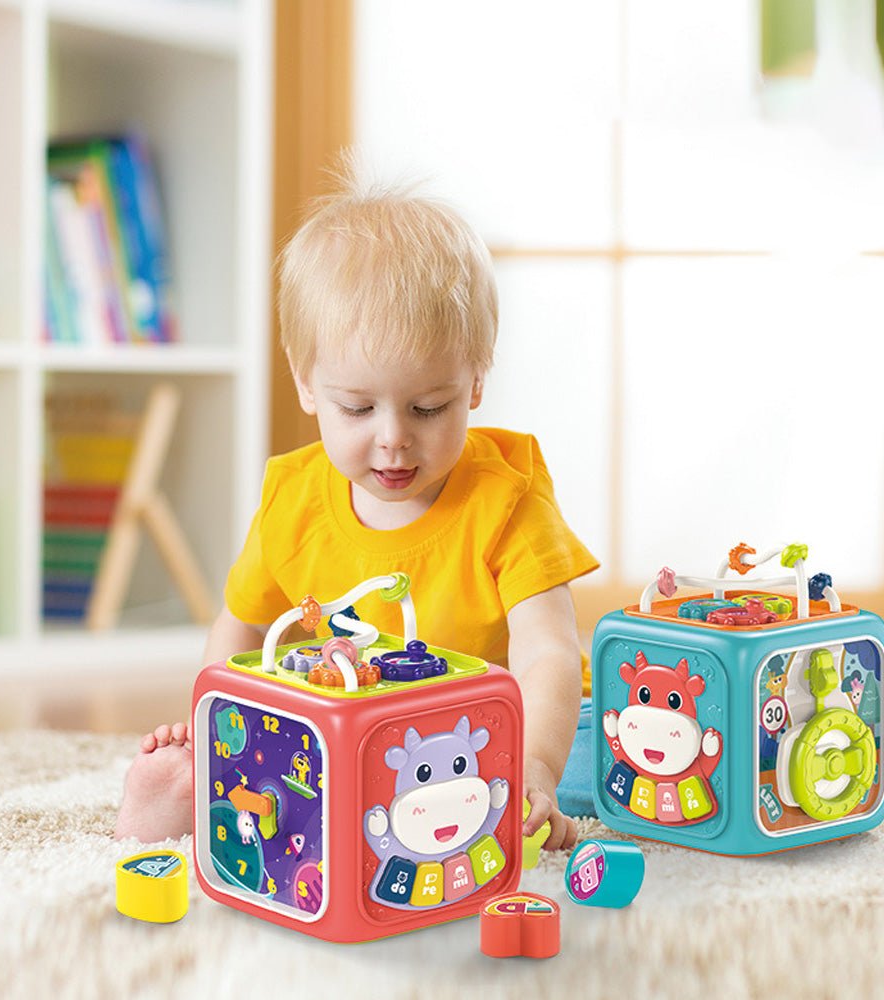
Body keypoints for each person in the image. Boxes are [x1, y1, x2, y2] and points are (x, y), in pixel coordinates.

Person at [114, 169, 598, 850]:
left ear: (477, 379)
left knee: (600, 766)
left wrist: (536, 768)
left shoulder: (507, 498)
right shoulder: (294, 499)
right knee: (298, 781)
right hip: (370, 730)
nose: (394, 436)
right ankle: (185, 793)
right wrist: (215, 721)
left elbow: (547, 651)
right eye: (358, 407)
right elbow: (239, 629)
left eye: (429, 407)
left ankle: (543, 789)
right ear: (306, 381)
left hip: (504, 723)